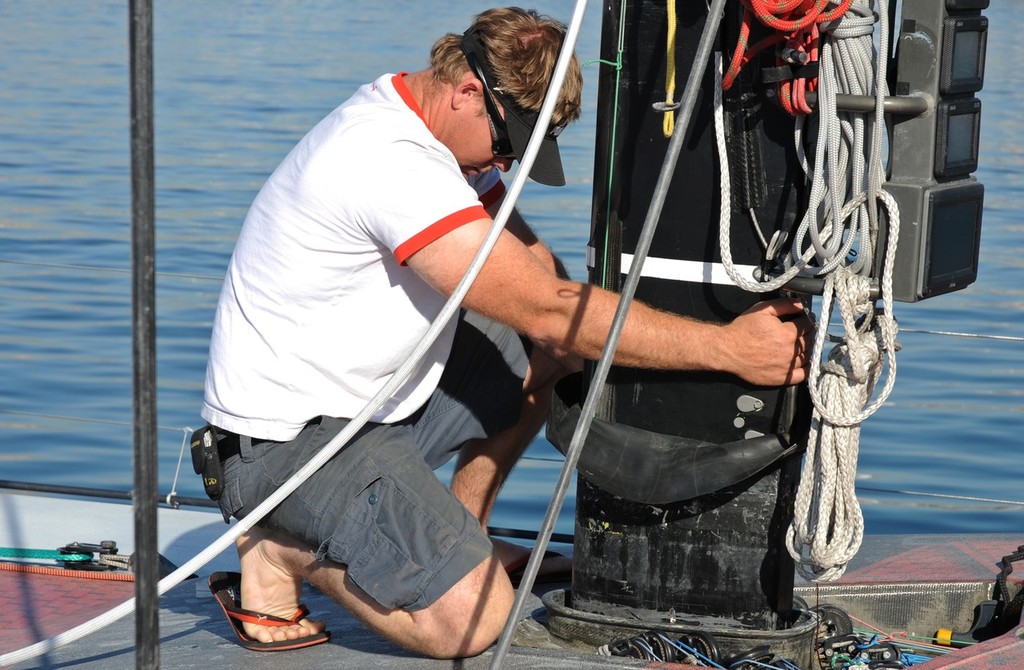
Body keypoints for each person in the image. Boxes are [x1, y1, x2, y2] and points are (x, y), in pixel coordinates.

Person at [199, 6, 813, 659]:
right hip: (286, 448)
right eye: (508, 143)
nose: (510, 161)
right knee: (471, 622)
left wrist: (573, 311)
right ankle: (280, 550)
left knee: (550, 347)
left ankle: (464, 532)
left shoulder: (430, 121)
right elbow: (551, 306)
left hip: (372, 405)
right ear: (468, 91)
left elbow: (540, 280)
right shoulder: (387, 161)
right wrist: (728, 350)